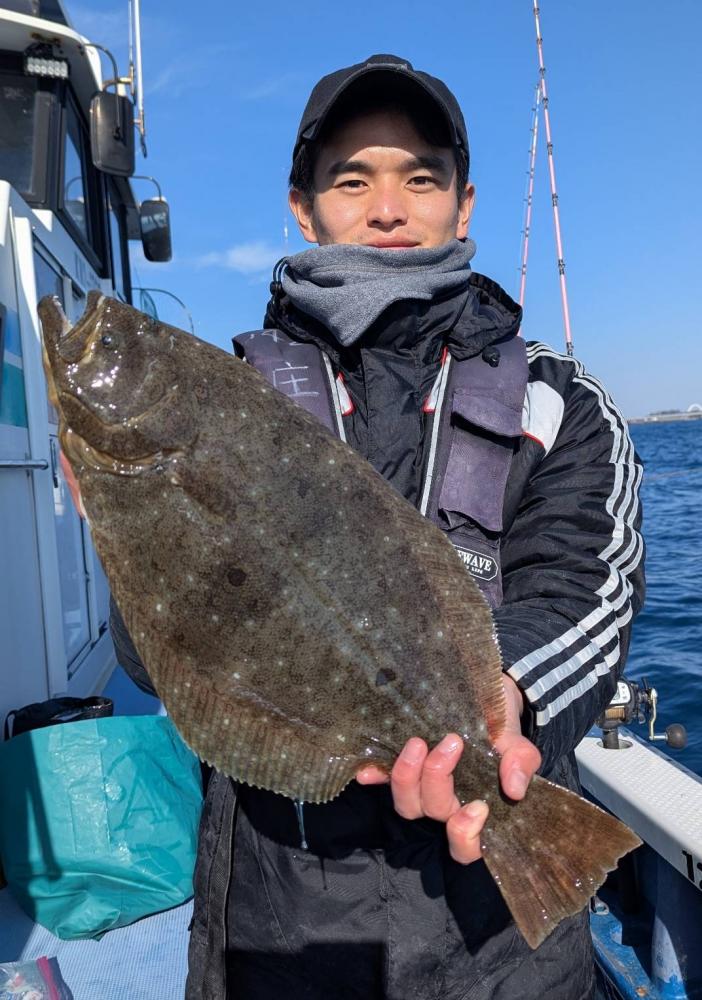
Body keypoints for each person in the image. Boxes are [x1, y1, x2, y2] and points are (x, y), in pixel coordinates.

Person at [109, 54, 644, 1000]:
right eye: (352, 180)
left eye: (420, 179)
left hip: (498, 938)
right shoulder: (227, 399)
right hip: (276, 921)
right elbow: (160, 661)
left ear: (464, 205)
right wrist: (122, 520)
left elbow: (586, 587)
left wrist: (501, 704)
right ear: (303, 208)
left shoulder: (559, 401)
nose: (388, 208)